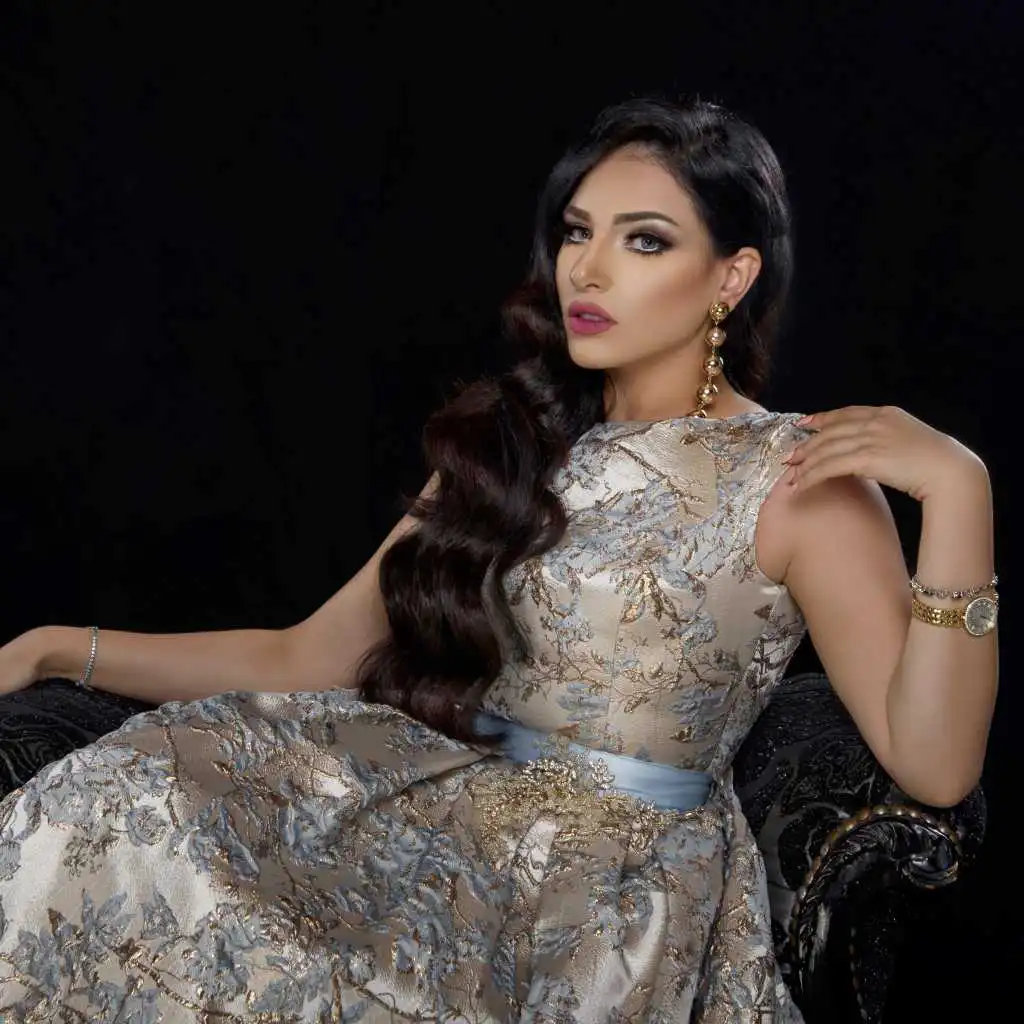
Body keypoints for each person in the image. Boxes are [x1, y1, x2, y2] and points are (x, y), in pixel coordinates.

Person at [0, 95, 997, 1023]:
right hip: (439, 814)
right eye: (577, 231)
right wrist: (58, 646)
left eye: (644, 240)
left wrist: (960, 492)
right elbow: (304, 656)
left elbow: (937, 764)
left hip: (607, 892)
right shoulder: (517, 442)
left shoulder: (796, 477)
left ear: (731, 276)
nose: (587, 270)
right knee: (116, 803)